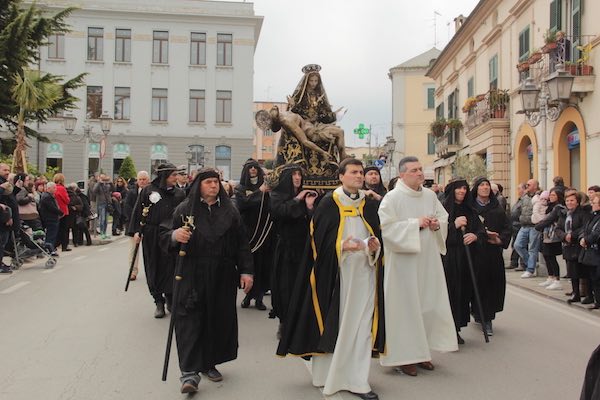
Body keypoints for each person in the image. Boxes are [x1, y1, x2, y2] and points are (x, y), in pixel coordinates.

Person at [277, 158, 384, 400]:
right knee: (337, 323)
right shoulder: (329, 203)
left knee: (361, 328)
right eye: (354, 172)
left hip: (365, 274)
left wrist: (374, 246)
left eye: (361, 172)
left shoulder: (368, 205)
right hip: (337, 277)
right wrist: (341, 246)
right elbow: (316, 242)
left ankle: (358, 379)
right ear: (341, 176)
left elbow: (377, 235)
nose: (359, 176)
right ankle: (329, 375)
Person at [159, 168, 254, 394]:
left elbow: (242, 243)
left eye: (216, 182)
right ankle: (189, 373)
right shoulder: (185, 210)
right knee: (190, 320)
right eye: (209, 182)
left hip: (222, 273)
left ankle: (209, 363)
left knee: (216, 319)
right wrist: (175, 236)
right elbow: (164, 234)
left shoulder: (230, 210)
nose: (214, 185)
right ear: (199, 185)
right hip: (191, 273)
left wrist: (246, 271)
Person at [378, 156, 457, 377]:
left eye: (421, 169)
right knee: (404, 309)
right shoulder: (391, 199)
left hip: (428, 260)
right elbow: (387, 229)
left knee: (427, 305)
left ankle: (422, 353)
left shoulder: (430, 195)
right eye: (414, 170)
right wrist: (416, 224)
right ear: (402, 174)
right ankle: (403, 358)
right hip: (403, 263)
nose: (420, 173)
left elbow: (444, 218)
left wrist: (435, 224)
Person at [130, 163, 186, 318]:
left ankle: (170, 297)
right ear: (164, 176)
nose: (176, 178)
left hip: (171, 235)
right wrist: (136, 231)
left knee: (170, 267)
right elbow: (138, 211)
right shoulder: (148, 191)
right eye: (173, 175)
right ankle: (158, 301)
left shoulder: (180, 193)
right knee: (153, 266)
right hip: (152, 234)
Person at [269, 165, 316, 338]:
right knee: (285, 286)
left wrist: (310, 207)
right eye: (294, 175)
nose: (297, 178)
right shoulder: (277, 195)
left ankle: (301, 324)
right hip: (286, 248)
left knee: (303, 284)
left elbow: (314, 221)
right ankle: (284, 322)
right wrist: (297, 199)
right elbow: (279, 212)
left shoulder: (307, 195)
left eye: (299, 175)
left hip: (304, 247)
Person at [441, 178, 484, 344]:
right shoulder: (444, 209)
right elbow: (438, 232)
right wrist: (454, 225)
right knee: (450, 292)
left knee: (462, 294)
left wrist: (475, 236)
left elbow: (480, 231)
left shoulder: (470, 209)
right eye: (458, 189)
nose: (462, 191)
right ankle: (448, 329)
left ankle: (457, 327)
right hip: (449, 257)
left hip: (466, 258)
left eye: (464, 189)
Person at [469, 177, 512, 336]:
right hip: (475, 252)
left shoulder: (497, 208)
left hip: (492, 253)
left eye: (487, 185)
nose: (485, 188)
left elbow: (508, 227)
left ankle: (487, 318)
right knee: (476, 285)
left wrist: (499, 239)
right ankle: (478, 312)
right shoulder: (470, 207)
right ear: (476, 189)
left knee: (491, 286)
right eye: (482, 185)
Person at [235, 159, 274, 311]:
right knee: (250, 265)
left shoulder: (266, 187)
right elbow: (242, 204)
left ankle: (259, 297)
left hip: (264, 232)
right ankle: (248, 295)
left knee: (263, 265)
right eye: (250, 168)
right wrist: (260, 192)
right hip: (248, 232)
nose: (252, 170)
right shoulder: (240, 188)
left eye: (255, 167)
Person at [555, 190, 591, 303]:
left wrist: (572, 235)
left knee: (584, 271)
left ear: (577, 202)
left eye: (572, 200)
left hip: (578, 245)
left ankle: (588, 294)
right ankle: (575, 293)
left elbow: (584, 227)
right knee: (572, 272)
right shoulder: (565, 214)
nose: (569, 203)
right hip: (568, 246)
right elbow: (558, 228)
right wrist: (564, 235)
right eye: (567, 200)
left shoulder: (582, 213)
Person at [534, 189, 566, 290]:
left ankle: (557, 279)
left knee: (551, 257)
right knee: (546, 256)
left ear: (559, 197)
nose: (551, 197)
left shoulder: (558, 207)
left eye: (553, 195)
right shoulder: (550, 206)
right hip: (546, 234)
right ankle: (550, 277)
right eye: (550, 195)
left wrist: (538, 226)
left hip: (553, 236)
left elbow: (549, 219)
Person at [124, 171, 150, 281]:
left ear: (148, 180)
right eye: (140, 179)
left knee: (149, 251)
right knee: (133, 250)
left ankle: (150, 272)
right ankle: (132, 272)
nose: (142, 181)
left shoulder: (152, 193)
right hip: (134, 226)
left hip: (149, 226)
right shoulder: (131, 193)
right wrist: (135, 226)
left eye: (144, 179)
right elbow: (127, 208)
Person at [514, 179, 542, 278]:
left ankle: (530, 269)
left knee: (532, 249)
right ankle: (531, 263)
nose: (527, 186)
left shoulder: (539, 196)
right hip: (524, 224)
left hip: (534, 226)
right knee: (517, 245)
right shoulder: (524, 197)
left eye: (529, 185)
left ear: (535, 186)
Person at [580, 192, 600, 309]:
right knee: (593, 278)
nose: (592, 204)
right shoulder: (593, 216)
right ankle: (596, 300)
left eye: (594, 203)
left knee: (597, 277)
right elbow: (586, 229)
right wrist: (583, 238)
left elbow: (597, 233)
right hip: (591, 253)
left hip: (597, 252)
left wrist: (586, 240)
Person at [0, 163, 17, 273]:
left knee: (3, 242)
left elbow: (10, 199)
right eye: (5, 170)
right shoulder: (2, 184)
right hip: (2, 219)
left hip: (5, 218)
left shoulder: (5, 182)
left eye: (8, 170)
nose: (7, 172)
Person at [38, 182, 63, 257]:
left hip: (52, 217)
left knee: (52, 234)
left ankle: (50, 249)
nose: (55, 189)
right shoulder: (47, 197)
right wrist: (60, 212)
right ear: (49, 188)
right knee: (51, 235)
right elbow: (52, 208)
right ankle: (49, 249)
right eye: (54, 188)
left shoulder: (49, 196)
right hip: (50, 218)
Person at [508, 183, 527, 270]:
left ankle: (523, 263)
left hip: (519, 225)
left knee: (520, 245)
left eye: (519, 189)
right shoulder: (519, 200)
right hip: (515, 225)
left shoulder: (524, 200)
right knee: (515, 245)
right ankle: (514, 262)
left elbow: (523, 212)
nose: (518, 191)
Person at [53, 173, 71, 252]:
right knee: (64, 229)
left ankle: (54, 245)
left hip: (55, 211)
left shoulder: (52, 188)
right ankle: (64, 245)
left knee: (56, 229)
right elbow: (67, 200)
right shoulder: (62, 188)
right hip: (63, 210)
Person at [92, 174, 113, 239]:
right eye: (102, 179)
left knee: (106, 220)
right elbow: (94, 191)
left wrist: (110, 182)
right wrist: (99, 183)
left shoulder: (107, 185)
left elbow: (113, 189)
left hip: (107, 204)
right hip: (101, 203)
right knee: (102, 219)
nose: (104, 180)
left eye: (104, 179)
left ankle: (105, 232)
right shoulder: (98, 185)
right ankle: (102, 233)